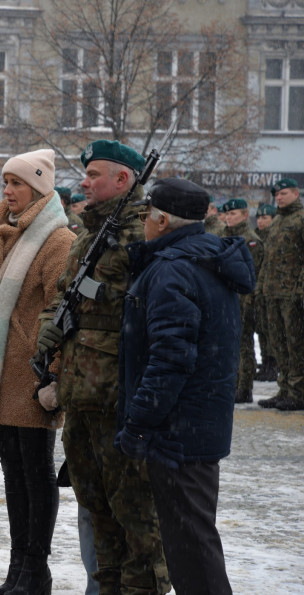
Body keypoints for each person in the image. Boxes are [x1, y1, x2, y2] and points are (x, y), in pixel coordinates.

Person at [35, 140, 169, 595]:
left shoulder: (144, 235)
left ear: (124, 180)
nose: (84, 183)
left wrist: (90, 298)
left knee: (135, 517)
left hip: (118, 397)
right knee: (98, 512)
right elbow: (61, 292)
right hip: (80, 393)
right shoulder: (89, 234)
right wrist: (48, 329)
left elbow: (149, 308)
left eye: (94, 175)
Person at [116, 178, 254, 595]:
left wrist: (139, 422)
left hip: (177, 434)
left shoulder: (174, 269)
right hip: (195, 425)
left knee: (192, 551)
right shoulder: (204, 257)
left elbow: (170, 359)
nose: (143, 223)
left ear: (161, 220)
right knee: (191, 543)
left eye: (145, 215)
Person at [0, 149, 75, 595]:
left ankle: (35, 570)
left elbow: (61, 312)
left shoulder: (57, 240)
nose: (7, 190)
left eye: (17, 183)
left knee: (35, 472)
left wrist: (53, 377)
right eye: (5, 181)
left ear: (40, 187)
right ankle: (17, 567)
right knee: (13, 472)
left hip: (31, 374)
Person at [258, 178, 304, 410]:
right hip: (272, 292)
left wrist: (299, 289)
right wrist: (262, 288)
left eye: (284, 193)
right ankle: (284, 388)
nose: (279, 197)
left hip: (292, 295)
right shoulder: (276, 222)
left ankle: (298, 393)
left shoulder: (301, 219)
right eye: (277, 194)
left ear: (296, 194)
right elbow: (268, 259)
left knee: (295, 345)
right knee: (278, 344)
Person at [220, 198, 263, 403]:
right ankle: (233, 385)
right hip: (227, 298)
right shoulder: (224, 237)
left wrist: (250, 302)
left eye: (233, 214)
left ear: (245, 216)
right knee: (229, 344)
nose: (229, 218)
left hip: (244, 300)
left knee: (244, 345)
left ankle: (244, 388)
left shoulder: (250, 239)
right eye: (227, 214)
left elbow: (253, 274)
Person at [253, 202, 278, 381]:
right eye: (259, 218)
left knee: (273, 331)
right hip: (258, 289)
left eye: (265, 218)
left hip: (273, 289)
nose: (261, 221)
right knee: (261, 329)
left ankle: (273, 364)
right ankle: (266, 363)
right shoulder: (256, 237)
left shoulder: (274, 237)